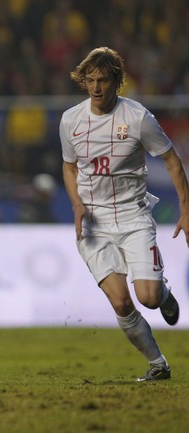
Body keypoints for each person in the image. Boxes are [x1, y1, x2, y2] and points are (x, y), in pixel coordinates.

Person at [60, 46, 187, 381]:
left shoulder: (138, 118)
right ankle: (159, 365)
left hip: (133, 216)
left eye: (103, 80)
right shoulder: (70, 120)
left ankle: (163, 293)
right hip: (94, 224)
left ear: (117, 81)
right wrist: (76, 203)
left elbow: (172, 161)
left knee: (148, 297)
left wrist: (186, 209)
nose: (97, 87)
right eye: (91, 80)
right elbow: (69, 167)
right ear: (83, 81)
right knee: (120, 303)